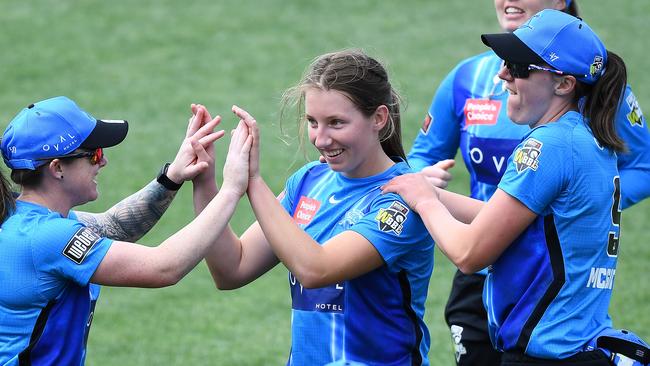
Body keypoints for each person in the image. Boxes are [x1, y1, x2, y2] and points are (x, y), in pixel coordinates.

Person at [385, 9, 647, 365]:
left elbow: (469, 254)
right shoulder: (586, 139)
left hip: (546, 356)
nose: (503, 74)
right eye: (506, 61)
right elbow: (507, 222)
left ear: (564, 83)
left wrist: (426, 204)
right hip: (577, 347)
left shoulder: (549, 147)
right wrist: (425, 190)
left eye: (519, 67)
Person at [196, 49, 435, 365]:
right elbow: (232, 269)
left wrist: (252, 181)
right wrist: (204, 181)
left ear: (378, 118)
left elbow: (315, 269)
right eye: (312, 122)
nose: (321, 139)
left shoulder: (401, 200)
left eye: (336, 123)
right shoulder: (308, 182)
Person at [0, 96, 253, 365]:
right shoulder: (46, 237)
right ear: (58, 168)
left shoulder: (21, 218)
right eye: (94, 154)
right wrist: (231, 190)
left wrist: (173, 176)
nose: (103, 161)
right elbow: (165, 267)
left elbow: (113, 226)